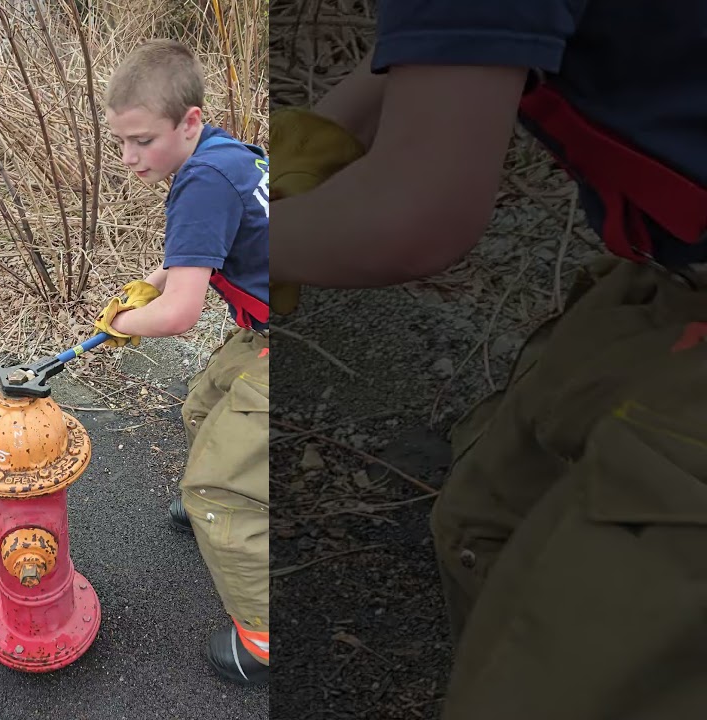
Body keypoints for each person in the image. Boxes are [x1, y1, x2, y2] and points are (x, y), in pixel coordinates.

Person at [270, 2, 707, 718]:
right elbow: (467, 31)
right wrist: (328, 132)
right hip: (672, 279)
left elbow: (411, 219)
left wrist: (227, 246)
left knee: (589, 668)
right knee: (490, 517)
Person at [92, 39, 272, 686]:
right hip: (263, 328)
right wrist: (165, 272)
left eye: (141, 141)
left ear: (190, 120)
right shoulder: (225, 153)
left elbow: (179, 317)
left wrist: (118, 323)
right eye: (120, 142)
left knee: (218, 491)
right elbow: (233, 236)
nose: (128, 159)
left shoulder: (198, 185)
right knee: (203, 403)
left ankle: (263, 638)